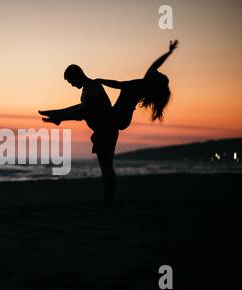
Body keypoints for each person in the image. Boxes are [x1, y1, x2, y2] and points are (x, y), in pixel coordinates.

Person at [39, 40, 179, 202]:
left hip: (118, 118)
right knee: (87, 110)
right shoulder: (145, 80)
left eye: (71, 81)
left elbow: (119, 84)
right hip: (114, 118)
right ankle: (59, 115)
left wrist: (101, 80)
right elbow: (155, 65)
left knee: (89, 111)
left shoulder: (139, 85)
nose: (71, 84)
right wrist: (169, 52)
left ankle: (59, 117)